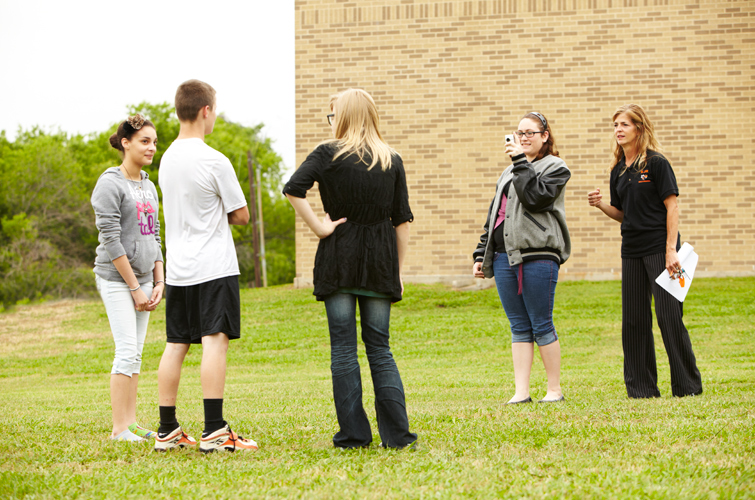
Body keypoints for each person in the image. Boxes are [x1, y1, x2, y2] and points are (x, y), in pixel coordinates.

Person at [283, 88, 418, 449]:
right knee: (380, 348)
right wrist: (397, 272)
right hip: (379, 264)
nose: (332, 122)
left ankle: (354, 436)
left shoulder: (327, 154)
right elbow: (401, 221)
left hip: (338, 260)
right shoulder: (392, 159)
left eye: (333, 115)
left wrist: (320, 227)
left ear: (342, 117)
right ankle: (398, 437)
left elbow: (293, 188)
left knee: (343, 348)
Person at [155, 79, 258, 453]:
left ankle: (167, 430)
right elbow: (242, 215)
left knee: (176, 343)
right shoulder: (214, 159)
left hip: (179, 268)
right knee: (216, 342)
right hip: (214, 266)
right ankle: (214, 430)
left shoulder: (166, 158)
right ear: (206, 111)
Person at [587, 104, 702, 398]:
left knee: (668, 317)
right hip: (631, 250)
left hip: (660, 249)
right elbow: (625, 214)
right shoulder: (618, 170)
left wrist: (670, 250)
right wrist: (602, 206)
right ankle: (641, 389)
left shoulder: (656, 163)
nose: (618, 130)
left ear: (639, 128)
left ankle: (687, 387)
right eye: (615, 125)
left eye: (624, 124)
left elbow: (672, 205)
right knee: (634, 320)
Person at [473, 112, 571, 404]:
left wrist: (519, 162)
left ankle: (554, 389)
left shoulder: (556, 167)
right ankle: (521, 391)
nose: (524, 137)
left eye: (531, 132)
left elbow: (536, 198)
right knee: (518, 324)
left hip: (539, 255)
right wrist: (481, 253)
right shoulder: (507, 172)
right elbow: (495, 216)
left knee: (541, 322)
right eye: (520, 133)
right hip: (505, 256)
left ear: (545, 136)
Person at [92, 114, 164, 441]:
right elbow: (110, 238)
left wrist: (159, 280)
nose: (151, 147)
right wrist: (135, 287)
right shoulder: (110, 183)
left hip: (146, 279)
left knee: (136, 353)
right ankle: (118, 428)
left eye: (154, 142)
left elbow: (155, 234)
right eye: (144, 141)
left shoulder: (148, 185)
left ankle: (131, 424)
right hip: (117, 279)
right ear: (126, 143)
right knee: (125, 350)